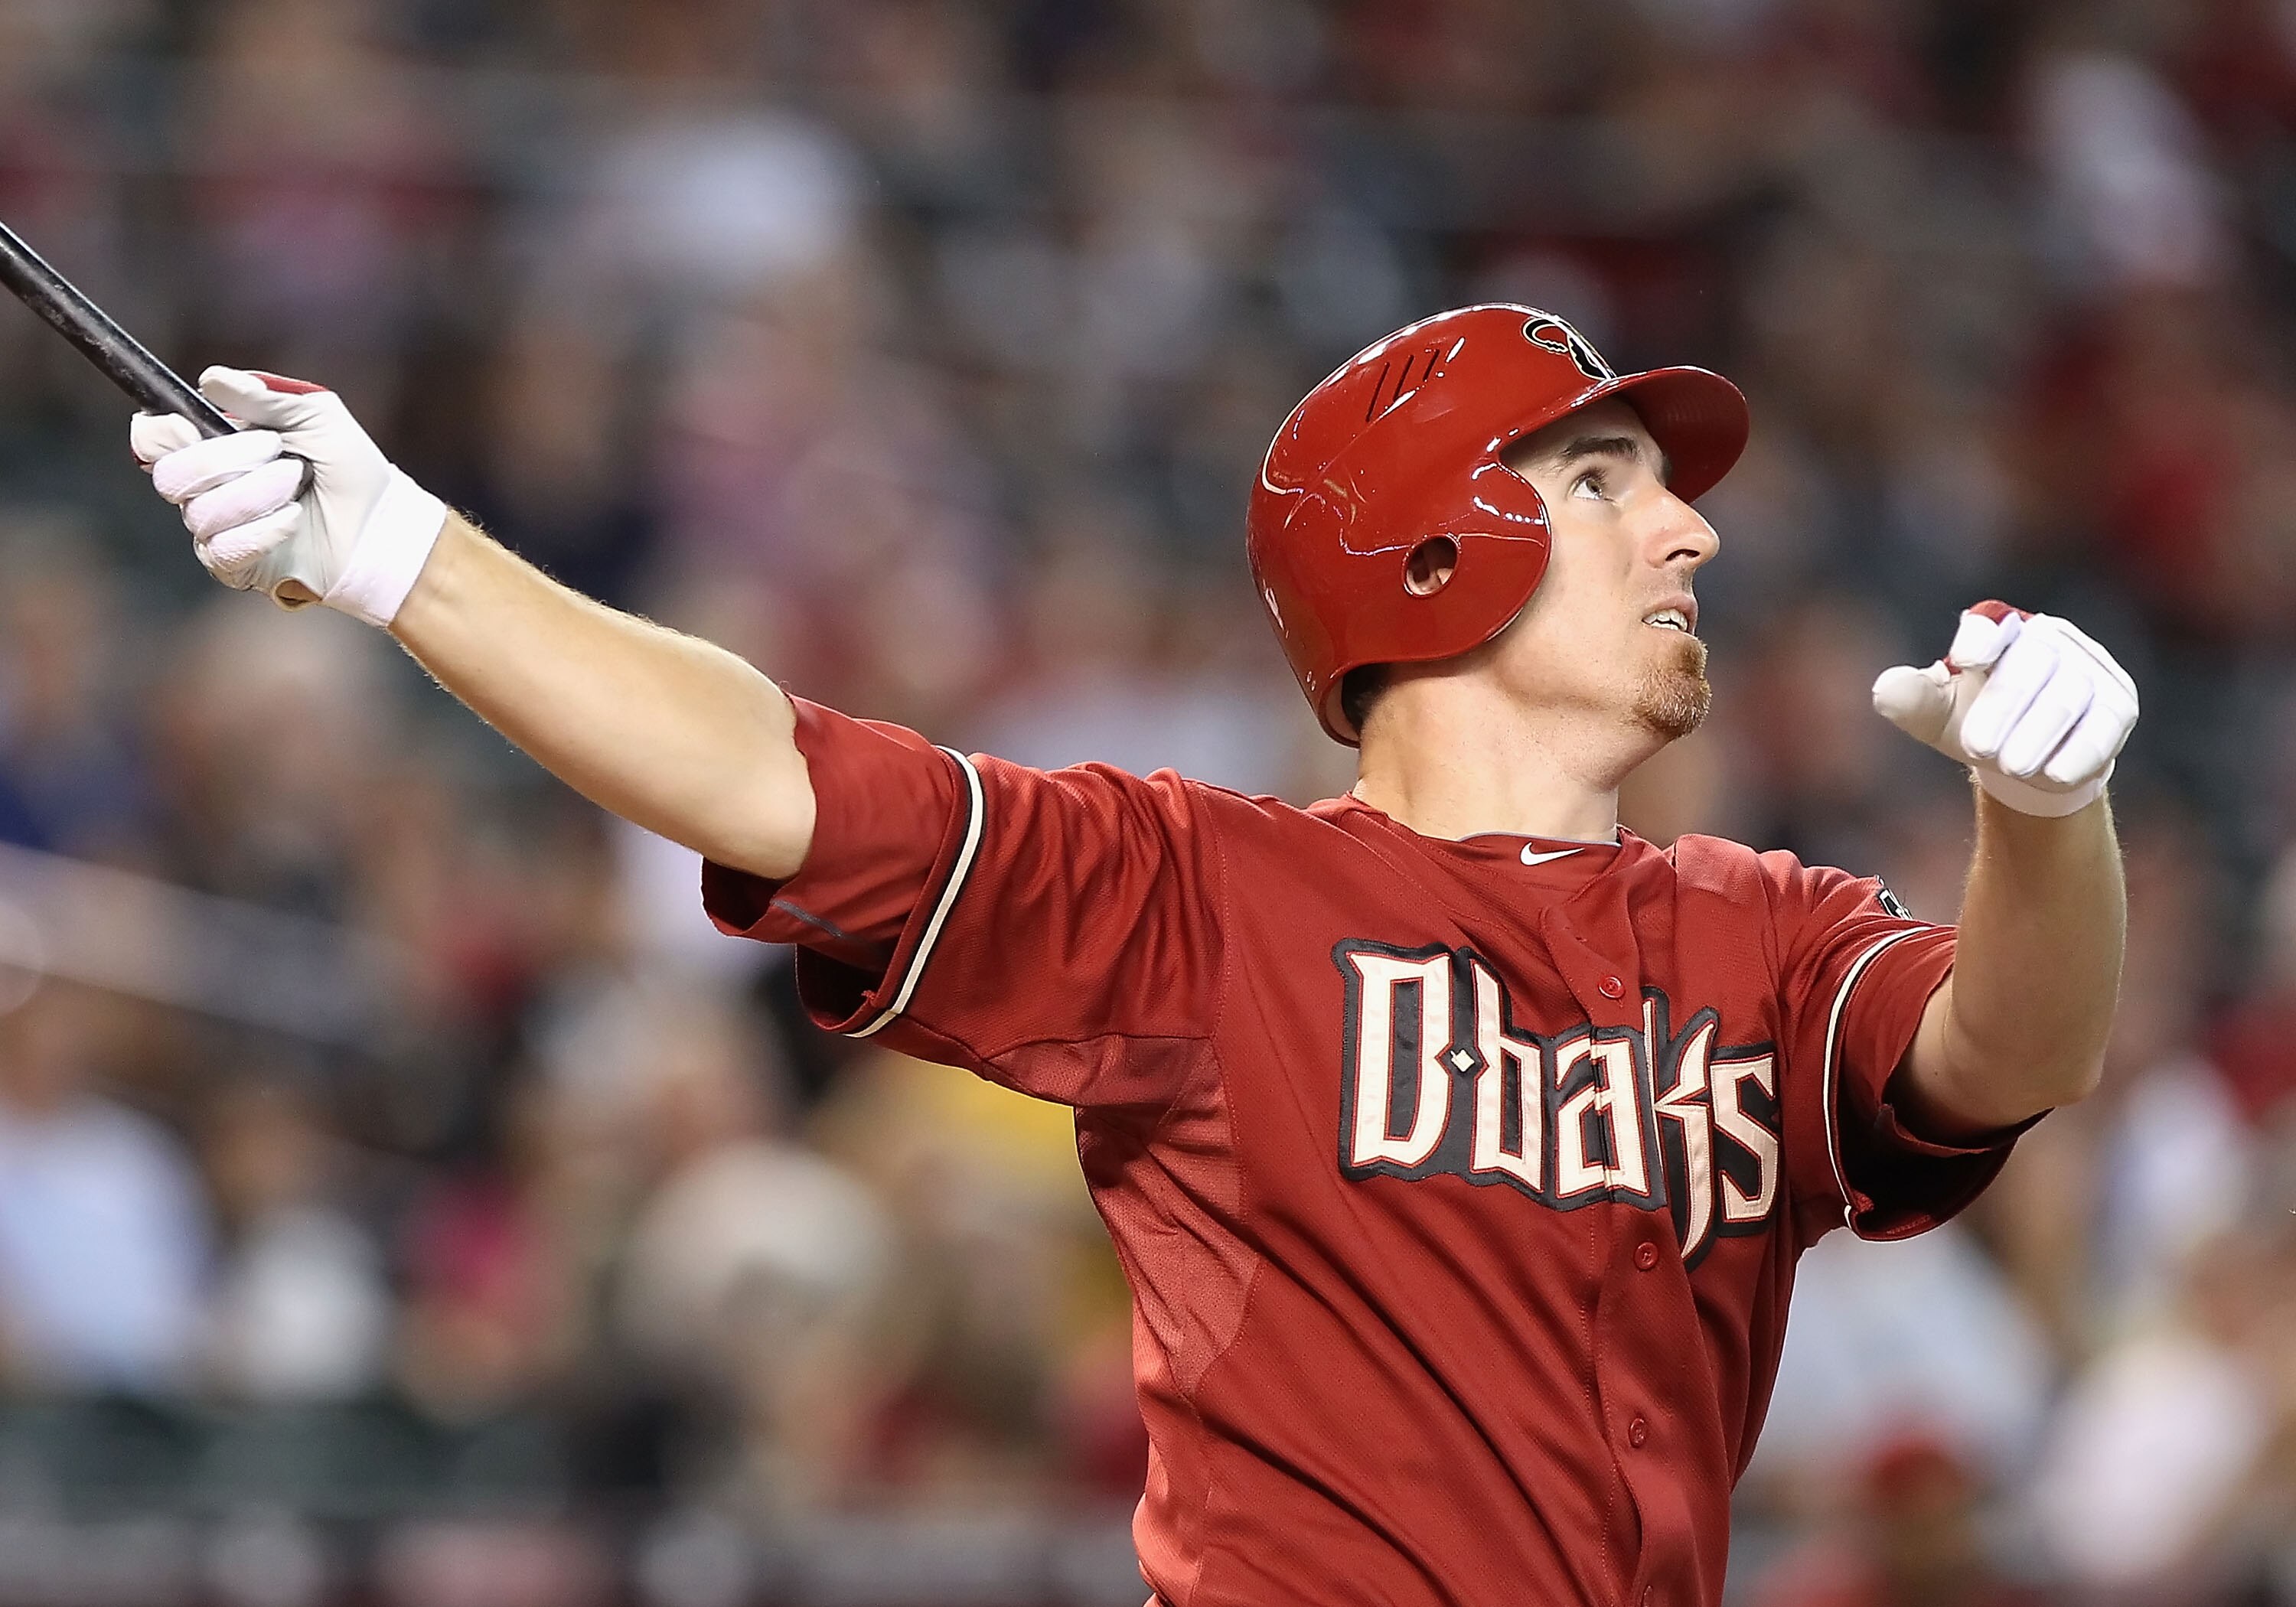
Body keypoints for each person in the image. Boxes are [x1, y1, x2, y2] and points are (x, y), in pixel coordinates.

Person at [129, 305, 2135, 1607]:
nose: (1689, 533)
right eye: (1606, 481)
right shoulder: (1201, 894)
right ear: (1432, 547)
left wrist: (2048, 816)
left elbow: (2009, 1045)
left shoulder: (1763, 931)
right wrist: (406, 554)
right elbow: (780, 777)